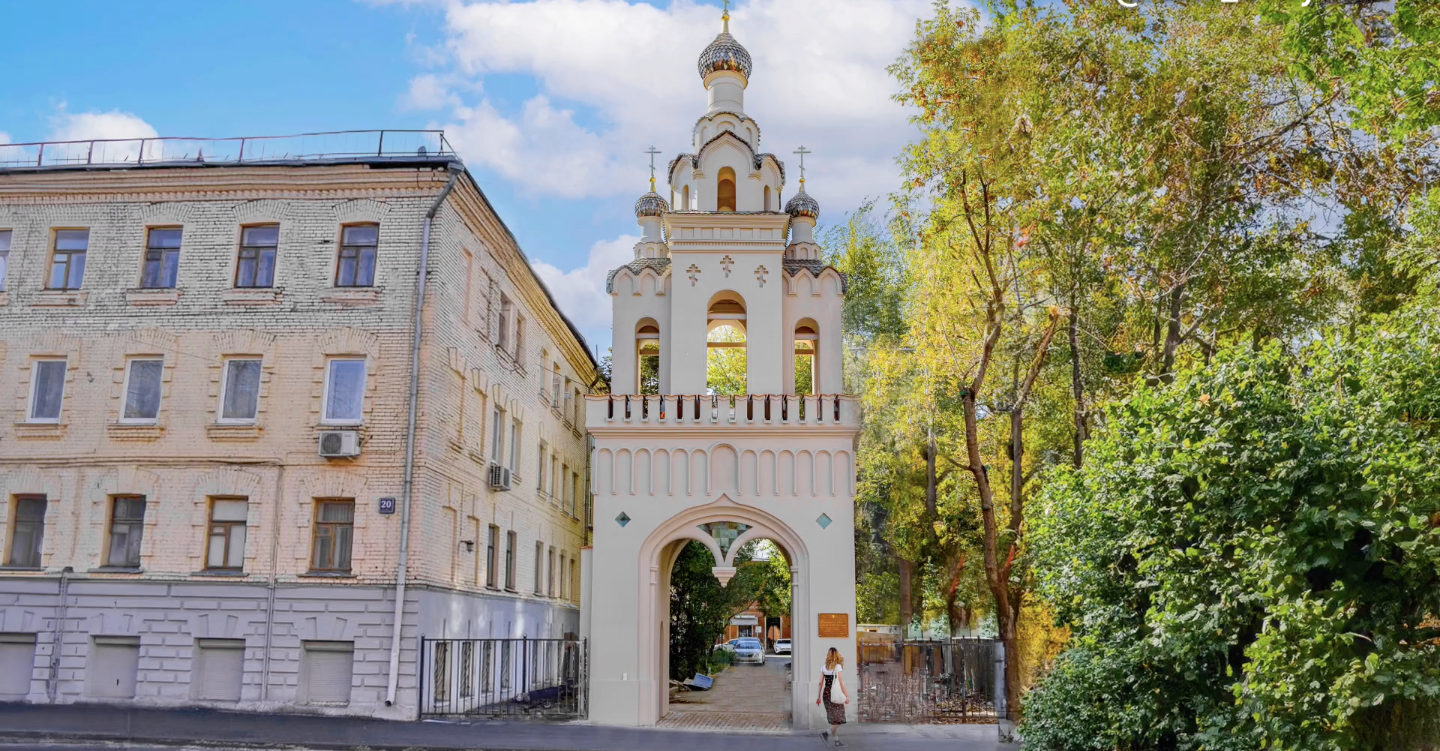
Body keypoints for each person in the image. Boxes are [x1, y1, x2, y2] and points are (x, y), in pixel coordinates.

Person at [816, 647, 849, 746]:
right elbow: (841, 683)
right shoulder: (838, 667)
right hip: (834, 694)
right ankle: (826, 733)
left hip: (826, 693)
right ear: (836, 655)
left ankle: (837, 741)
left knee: (835, 720)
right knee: (839, 720)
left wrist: (819, 697)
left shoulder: (823, 667)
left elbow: (820, 683)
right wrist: (847, 695)